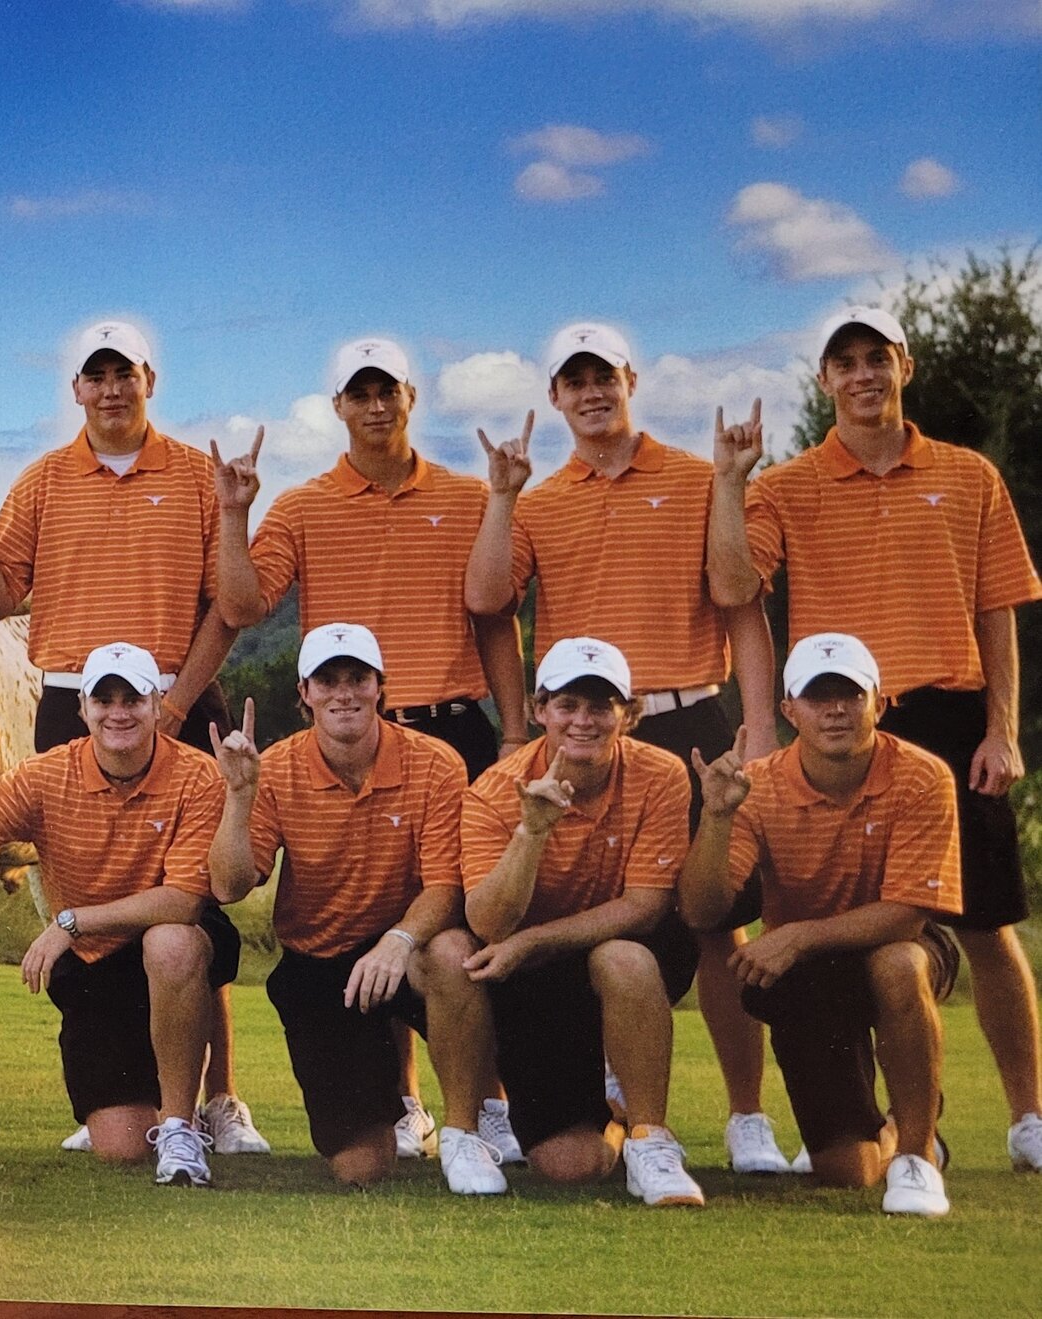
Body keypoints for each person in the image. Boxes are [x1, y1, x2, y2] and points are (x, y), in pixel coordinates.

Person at [710, 305, 1042, 1172]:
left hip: (948, 715)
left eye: (877, 358)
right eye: (844, 362)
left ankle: (1029, 1118)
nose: (863, 374)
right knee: (839, 922)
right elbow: (737, 584)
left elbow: (996, 606)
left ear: (906, 366)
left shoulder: (970, 475)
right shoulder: (785, 486)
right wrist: (731, 482)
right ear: (824, 380)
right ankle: (876, 1121)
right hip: (838, 716)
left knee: (988, 923)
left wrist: (1001, 728)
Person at [466, 321, 791, 1175]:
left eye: (603, 375)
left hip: (689, 718)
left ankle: (745, 1115)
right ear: (555, 398)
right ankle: (582, 1090)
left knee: (718, 919)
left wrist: (756, 727)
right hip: (583, 723)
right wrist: (501, 495)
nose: (591, 392)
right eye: (574, 381)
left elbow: (740, 599)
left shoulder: (698, 477)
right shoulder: (538, 501)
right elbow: (489, 597)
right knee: (571, 899)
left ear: (631, 379)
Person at [0, 319, 267, 1156]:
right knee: (88, 877)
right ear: (77, 389)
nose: (112, 387)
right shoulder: (45, 480)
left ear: (149, 379)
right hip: (71, 702)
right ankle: (131, 1098)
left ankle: (216, 1098)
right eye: (97, 375)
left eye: (126, 372)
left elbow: (232, 607)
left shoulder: (198, 475)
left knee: (195, 909)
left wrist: (176, 701)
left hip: (177, 694)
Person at [212, 336, 530, 1159]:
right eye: (360, 392)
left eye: (388, 389)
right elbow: (245, 604)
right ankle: (407, 1105)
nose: (376, 404)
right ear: (339, 409)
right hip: (349, 727)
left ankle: (486, 1104)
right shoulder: (306, 504)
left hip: (452, 729)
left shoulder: (466, 497)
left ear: (411, 397)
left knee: (457, 922)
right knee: (369, 913)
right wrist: (235, 512)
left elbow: (494, 615)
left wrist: (518, 726)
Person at [0, 642, 240, 1187]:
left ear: (158, 706)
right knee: (121, 1147)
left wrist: (70, 922)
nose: (119, 711)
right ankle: (144, 1113)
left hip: (160, 943)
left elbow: (183, 900)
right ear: (84, 709)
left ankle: (183, 1126)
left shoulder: (197, 775)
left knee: (173, 941)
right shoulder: (45, 775)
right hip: (96, 964)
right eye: (104, 698)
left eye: (133, 698)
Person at [207, 624, 506, 1193]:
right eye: (328, 680)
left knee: (451, 950)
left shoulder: (437, 763)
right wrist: (239, 797)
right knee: (361, 1166)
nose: (343, 692)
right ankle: (395, 1113)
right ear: (305, 694)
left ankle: (466, 1133)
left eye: (357, 678)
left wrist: (397, 941)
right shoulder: (276, 767)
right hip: (320, 962)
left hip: (406, 950)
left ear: (379, 689)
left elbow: (446, 887)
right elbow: (228, 885)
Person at [680, 634, 961, 1215]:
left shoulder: (922, 776)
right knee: (846, 1172)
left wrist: (798, 935)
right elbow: (704, 910)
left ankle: (916, 1156)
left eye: (850, 694)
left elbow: (909, 913)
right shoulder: (756, 786)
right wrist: (716, 817)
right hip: (805, 975)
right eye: (817, 695)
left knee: (898, 962)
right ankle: (901, 1125)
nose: (835, 709)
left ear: (879, 703)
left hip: (887, 940)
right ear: (789, 709)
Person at [461, 637, 706, 1206]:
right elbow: (489, 922)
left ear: (630, 713)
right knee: (570, 1166)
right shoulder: (494, 791)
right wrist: (532, 832)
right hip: (532, 973)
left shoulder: (662, 774)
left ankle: (651, 1140)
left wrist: (536, 939)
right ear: (538, 710)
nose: (583, 721)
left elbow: (646, 905)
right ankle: (616, 1113)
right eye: (568, 704)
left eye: (601, 706)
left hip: (619, 954)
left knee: (622, 955)